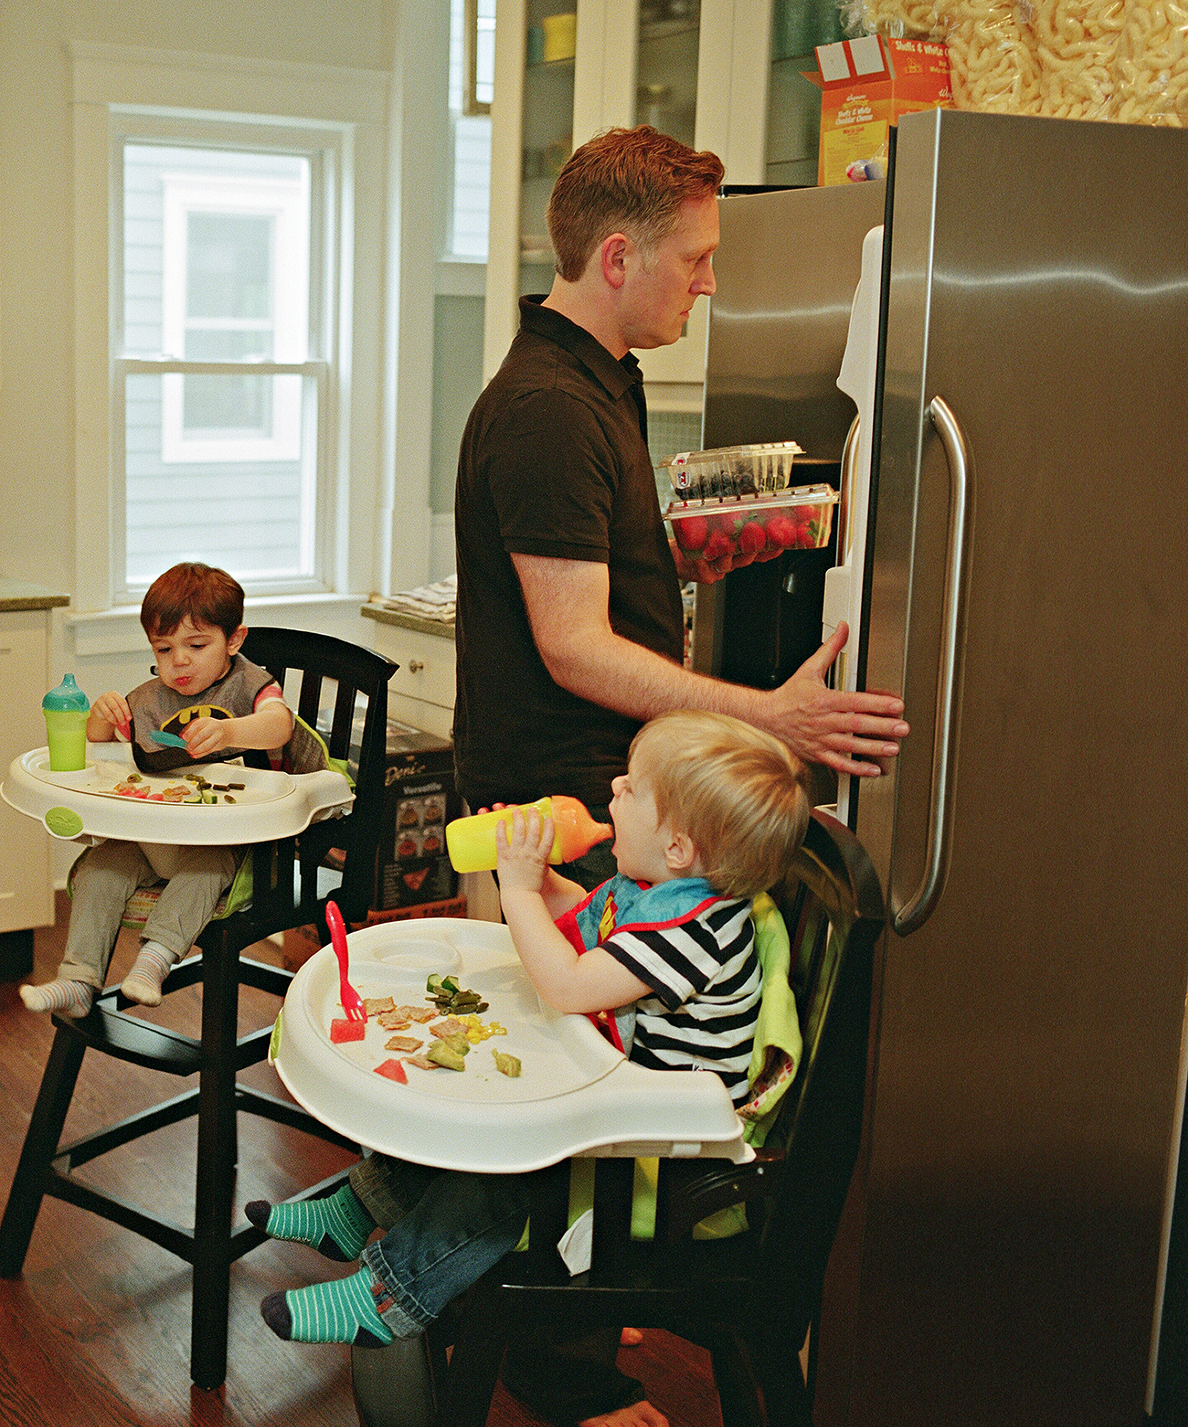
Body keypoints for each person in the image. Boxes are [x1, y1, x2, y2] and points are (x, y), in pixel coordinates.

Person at [251, 711, 810, 1427]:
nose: (614, 784)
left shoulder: (696, 934)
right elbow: (589, 922)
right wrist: (540, 878)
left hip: (664, 1170)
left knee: (507, 1166)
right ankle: (359, 1207)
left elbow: (572, 985)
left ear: (678, 845)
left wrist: (515, 894)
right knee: (481, 1122)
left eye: (634, 788)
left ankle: (388, 1298)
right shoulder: (663, 891)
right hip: (626, 1115)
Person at [452, 125, 907, 890]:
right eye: (696, 258)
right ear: (619, 258)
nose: (710, 283)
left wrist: (682, 559)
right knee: (592, 1007)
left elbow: (589, 574)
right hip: (570, 800)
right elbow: (574, 648)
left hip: (601, 777)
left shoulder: (598, 379)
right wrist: (770, 715)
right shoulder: (549, 409)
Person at [19, 562, 327, 1017]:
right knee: (101, 867)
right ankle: (77, 980)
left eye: (196, 645)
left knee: (203, 869)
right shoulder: (149, 698)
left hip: (233, 848)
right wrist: (104, 714)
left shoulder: (250, 685)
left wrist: (230, 733)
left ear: (234, 641)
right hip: (154, 839)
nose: (178, 660)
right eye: (164, 648)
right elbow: (99, 745)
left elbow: (280, 726)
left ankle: (154, 960)